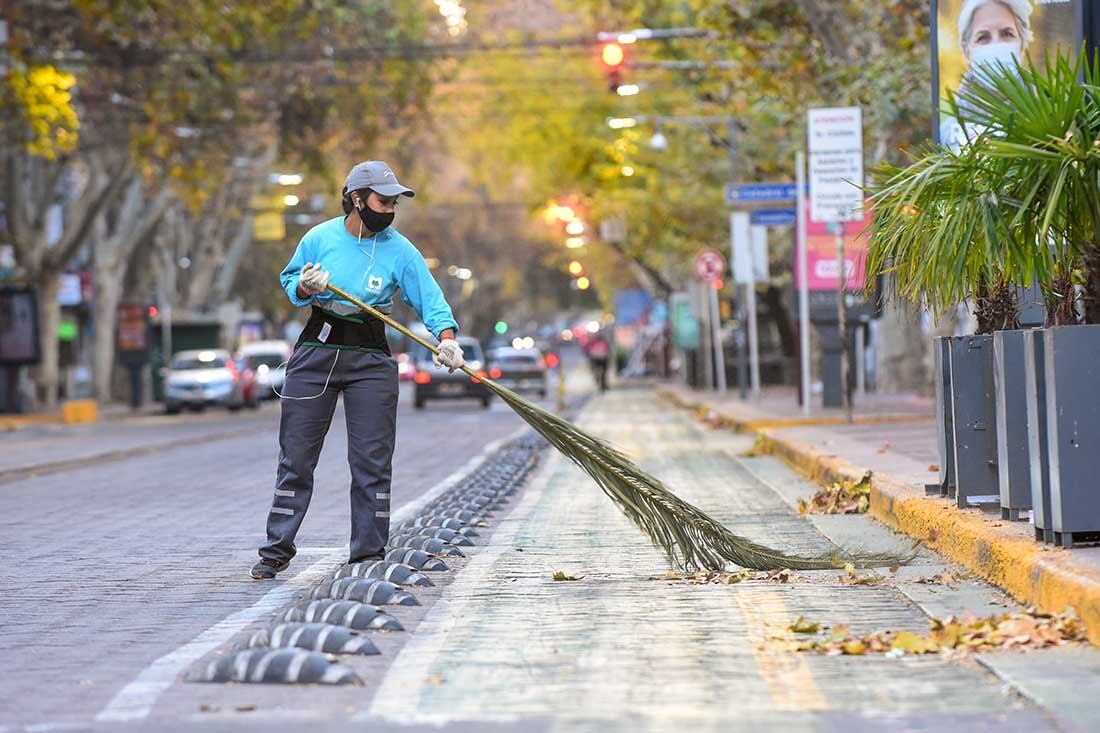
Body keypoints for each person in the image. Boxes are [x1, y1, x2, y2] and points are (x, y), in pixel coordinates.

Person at [251, 161, 465, 580]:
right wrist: (305, 286)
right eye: (383, 201)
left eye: (394, 204)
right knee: (296, 457)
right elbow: (291, 281)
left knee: (371, 460)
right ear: (356, 198)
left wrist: (447, 337)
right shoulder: (319, 238)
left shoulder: (401, 250)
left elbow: (430, 298)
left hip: (371, 357)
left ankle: (367, 553)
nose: (389, 210)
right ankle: (276, 549)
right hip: (317, 352)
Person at [940, 0, 1033, 150]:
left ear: (1022, 45)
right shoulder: (946, 135)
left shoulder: (1053, 122)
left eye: (1007, 33)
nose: (996, 44)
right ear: (966, 51)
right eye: (983, 37)